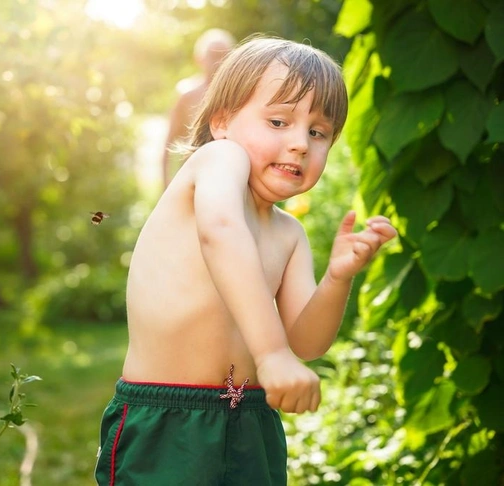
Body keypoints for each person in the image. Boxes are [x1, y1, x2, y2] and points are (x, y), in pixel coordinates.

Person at [94, 35, 397, 485]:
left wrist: (337, 278)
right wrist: (270, 354)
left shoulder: (289, 233)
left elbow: (307, 343)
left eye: (317, 132)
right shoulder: (217, 160)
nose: (299, 143)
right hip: (166, 417)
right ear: (222, 122)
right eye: (278, 121)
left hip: (251, 421)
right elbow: (221, 232)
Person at [161, 28, 236, 189]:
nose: (219, 61)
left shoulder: (238, 96)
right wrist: (166, 188)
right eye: (214, 55)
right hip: (192, 183)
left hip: (228, 181)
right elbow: (168, 144)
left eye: (225, 55)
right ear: (199, 59)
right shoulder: (186, 95)